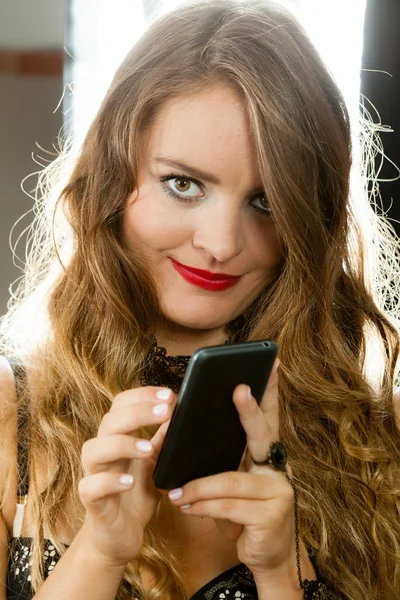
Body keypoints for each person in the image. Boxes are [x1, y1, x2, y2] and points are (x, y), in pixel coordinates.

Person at [0, 0, 399, 598]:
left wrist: (281, 574)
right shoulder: (14, 414)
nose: (220, 245)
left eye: (266, 203)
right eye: (182, 185)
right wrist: (100, 554)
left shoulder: (371, 432)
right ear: (112, 177)